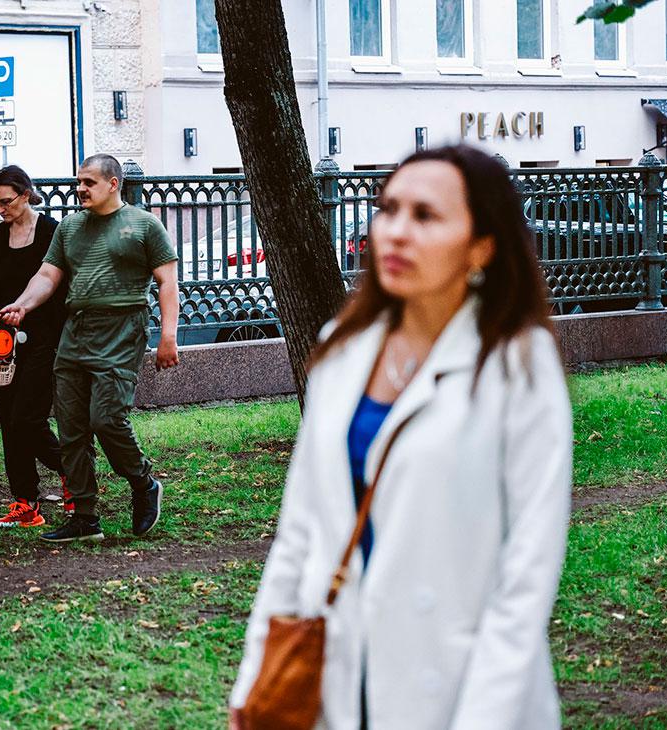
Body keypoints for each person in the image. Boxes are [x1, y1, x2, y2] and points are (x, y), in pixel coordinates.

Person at [229, 146, 572, 730]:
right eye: (388, 209)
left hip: (457, 683)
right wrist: (254, 687)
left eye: (426, 216)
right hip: (339, 673)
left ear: (482, 246)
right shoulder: (344, 346)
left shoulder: (518, 364)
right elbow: (299, 533)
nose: (396, 231)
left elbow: (526, 578)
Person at [0, 153, 181, 543]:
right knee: (71, 429)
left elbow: (167, 282)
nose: (80, 188)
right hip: (76, 331)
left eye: (88, 182)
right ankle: (84, 516)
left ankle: (143, 482)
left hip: (122, 330)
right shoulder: (70, 227)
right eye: (78, 182)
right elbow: (48, 275)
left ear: (113, 184)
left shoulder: (143, 225)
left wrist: (169, 335)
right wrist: (23, 303)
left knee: (106, 419)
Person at [0, 165, 68, 529]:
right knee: (9, 423)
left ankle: (73, 470)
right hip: (3, 342)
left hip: (45, 338)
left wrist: (27, 312)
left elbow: (57, 286)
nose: (1, 208)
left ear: (26, 194)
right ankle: (25, 503)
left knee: (27, 419)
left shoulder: (51, 231)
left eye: (6, 201)